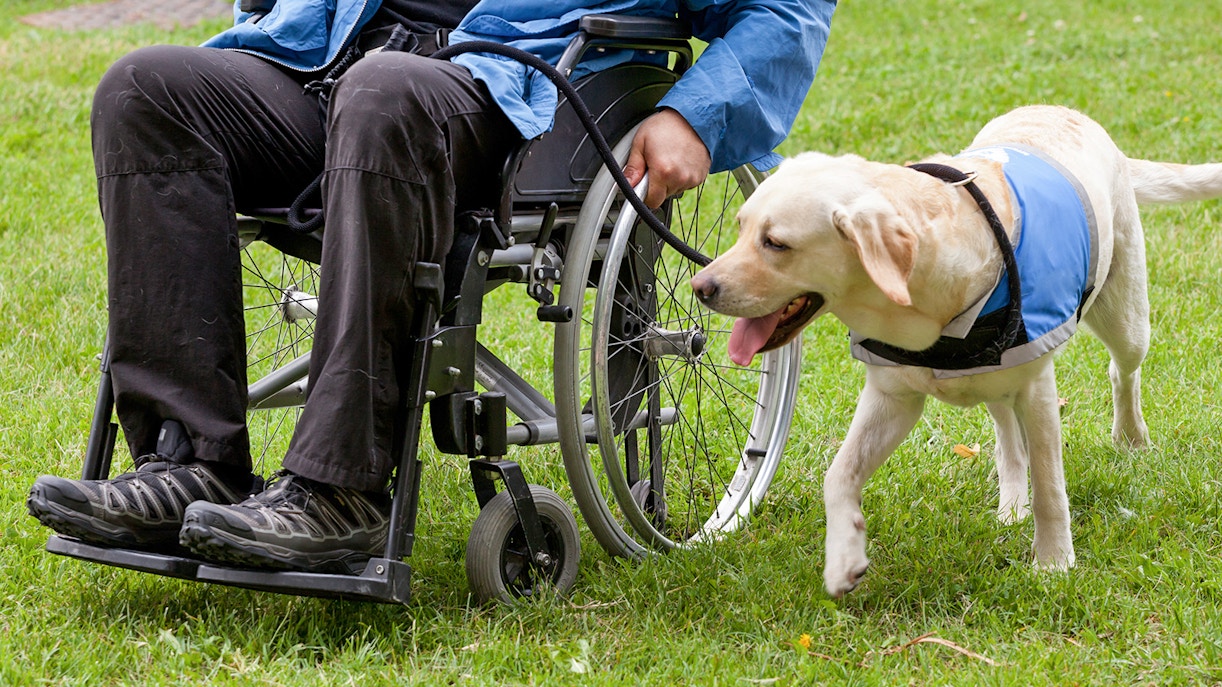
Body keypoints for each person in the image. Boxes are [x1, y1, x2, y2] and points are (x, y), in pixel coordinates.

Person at [26, 0, 836, 574]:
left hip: (509, 91)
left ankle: (338, 489)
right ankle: (187, 463)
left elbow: (785, 11)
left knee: (384, 93)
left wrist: (696, 114)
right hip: (330, 61)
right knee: (144, 92)